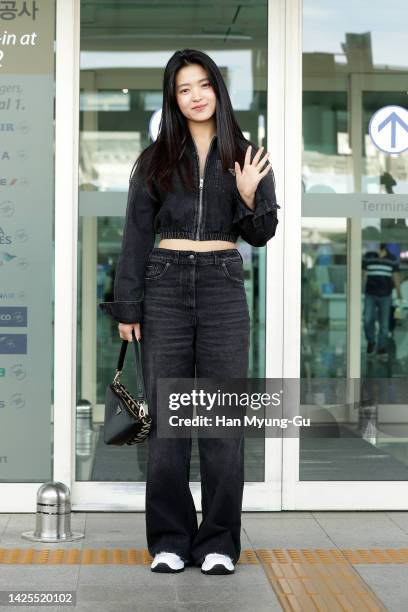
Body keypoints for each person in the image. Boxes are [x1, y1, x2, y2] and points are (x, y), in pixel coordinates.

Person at [99, 49, 281, 575]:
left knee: (222, 421)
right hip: (164, 285)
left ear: (218, 91)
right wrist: (127, 304)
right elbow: (135, 234)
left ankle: (220, 541)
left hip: (223, 282)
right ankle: (171, 541)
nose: (196, 95)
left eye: (204, 85)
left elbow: (262, 235)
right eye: (184, 88)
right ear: (173, 99)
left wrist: (249, 197)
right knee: (171, 422)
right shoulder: (155, 159)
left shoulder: (246, 154)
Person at [362, 242, 402, 360]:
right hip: (370, 294)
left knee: (384, 324)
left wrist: (399, 292)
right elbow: (363, 274)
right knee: (367, 319)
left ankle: (382, 348)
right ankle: (371, 341)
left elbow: (395, 276)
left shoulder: (392, 259)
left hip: (386, 295)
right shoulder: (368, 257)